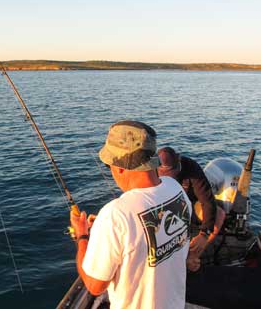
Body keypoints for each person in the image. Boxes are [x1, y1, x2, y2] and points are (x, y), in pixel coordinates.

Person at [70, 120, 196, 309]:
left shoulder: (114, 215)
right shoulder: (176, 190)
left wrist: (82, 236)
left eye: (109, 165)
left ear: (120, 166)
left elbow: (95, 286)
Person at [157, 147, 224, 256]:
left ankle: (194, 256)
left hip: (188, 205)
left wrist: (205, 233)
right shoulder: (150, 170)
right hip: (163, 207)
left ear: (179, 160)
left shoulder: (191, 167)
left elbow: (207, 200)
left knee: (219, 214)